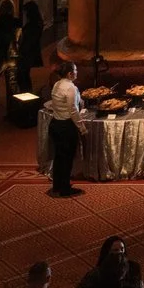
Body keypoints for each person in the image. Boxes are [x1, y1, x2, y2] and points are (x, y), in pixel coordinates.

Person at [42, 61, 84, 198]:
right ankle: (65, 188)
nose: (77, 73)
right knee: (67, 158)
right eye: (75, 71)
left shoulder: (57, 84)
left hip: (55, 124)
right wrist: (82, 128)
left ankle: (57, 185)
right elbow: (73, 110)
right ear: (70, 74)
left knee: (59, 157)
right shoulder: (70, 87)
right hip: (66, 126)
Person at [71, 237, 142, 288]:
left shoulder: (133, 268)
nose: (120, 252)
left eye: (122, 249)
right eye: (115, 250)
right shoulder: (96, 274)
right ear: (107, 252)